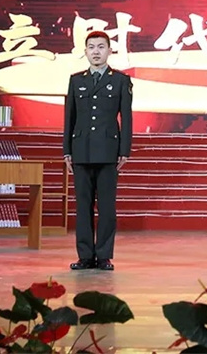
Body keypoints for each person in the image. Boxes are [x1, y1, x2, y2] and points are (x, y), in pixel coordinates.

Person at [63, 30, 133, 271]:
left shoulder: (120, 80)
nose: (96, 51)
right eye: (91, 47)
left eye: (101, 47)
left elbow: (127, 117)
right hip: (81, 150)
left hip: (108, 150)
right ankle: (85, 256)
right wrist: (67, 151)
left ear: (109, 51)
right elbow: (69, 118)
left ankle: (103, 255)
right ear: (85, 51)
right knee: (82, 207)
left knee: (106, 207)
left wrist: (125, 150)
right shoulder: (76, 80)